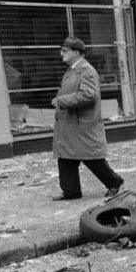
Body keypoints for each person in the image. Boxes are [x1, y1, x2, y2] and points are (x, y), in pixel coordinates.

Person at [51, 37, 124, 200]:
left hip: (81, 125)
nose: (61, 53)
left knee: (92, 158)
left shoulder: (86, 70)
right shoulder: (72, 70)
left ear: (76, 53)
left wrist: (62, 101)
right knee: (66, 157)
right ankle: (71, 191)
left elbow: (89, 95)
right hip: (71, 124)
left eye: (65, 51)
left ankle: (114, 182)